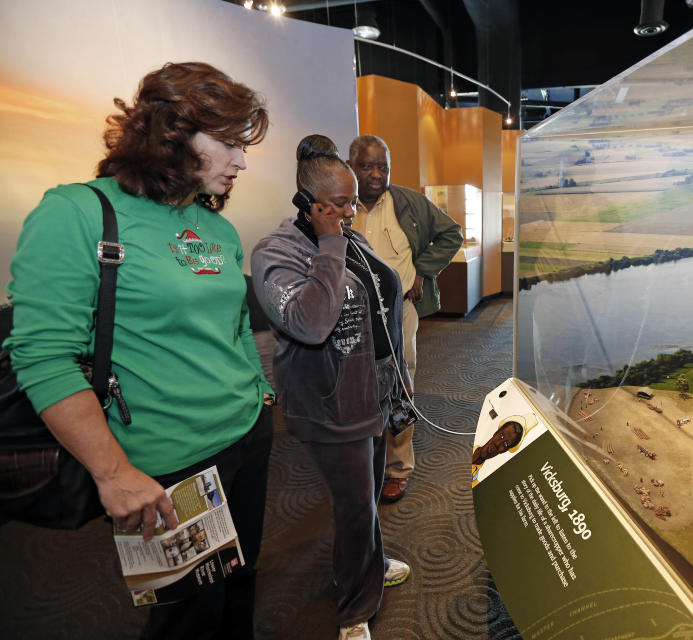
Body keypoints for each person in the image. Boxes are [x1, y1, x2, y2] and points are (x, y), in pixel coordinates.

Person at [4, 62, 274, 639]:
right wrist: (113, 471)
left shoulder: (216, 228)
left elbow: (234, 322)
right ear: (170, 135)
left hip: (248, 436)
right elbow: (44, 357)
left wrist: (260, 390)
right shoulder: (76, 213)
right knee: (187, 616)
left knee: (240, 586)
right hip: (168, 462)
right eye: (228, 143)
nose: (242, 161)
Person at [251, 139, 412, 640]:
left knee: (364, 493)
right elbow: (311, 321)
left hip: (372, 392)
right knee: (355, 503)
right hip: (330, 403)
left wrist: (398, 384)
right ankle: (354, 609)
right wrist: (328, 242)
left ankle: (368, 562)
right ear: (307, 199)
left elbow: (382, 307)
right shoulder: (276, 253)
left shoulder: (350, 238)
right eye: (340, 203)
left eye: (351, 201)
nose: (350, 209)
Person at [346, 134, 463, 502]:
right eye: (368, 166)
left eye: (383, 166)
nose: (377, 174)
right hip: (350, 316)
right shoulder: (340, 203)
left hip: (399, 313)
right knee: (355, 388)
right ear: (352, 166)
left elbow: (451, 234)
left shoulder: (408, 202)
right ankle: (363, 463)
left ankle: (398, 468)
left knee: (400, 384)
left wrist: (422, 271)